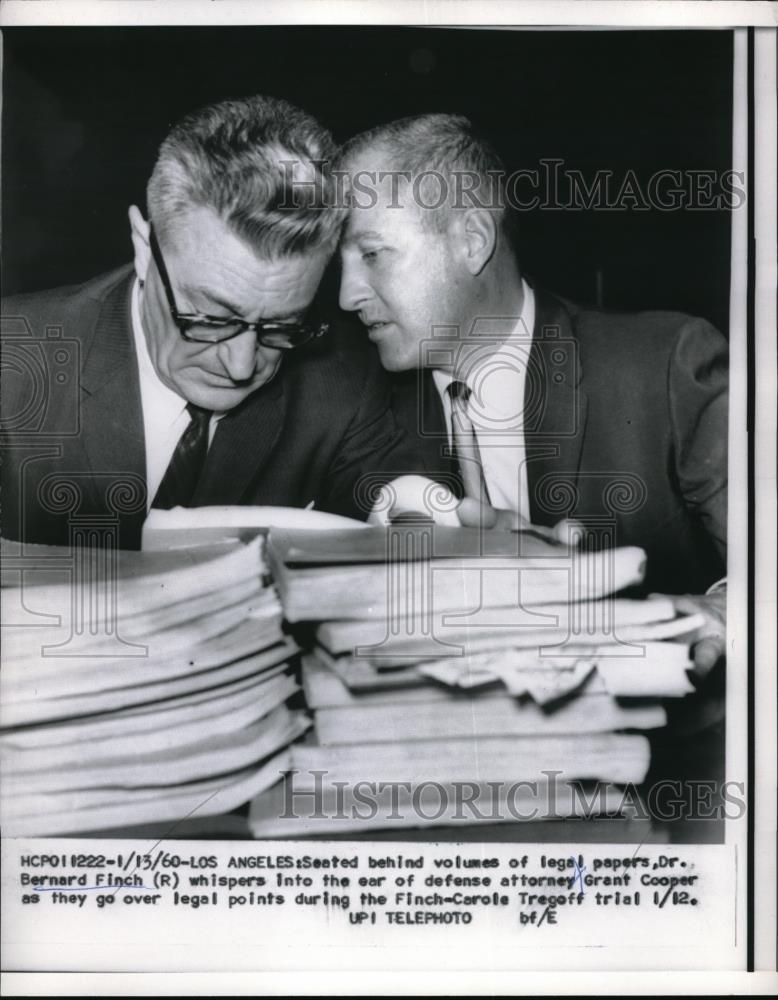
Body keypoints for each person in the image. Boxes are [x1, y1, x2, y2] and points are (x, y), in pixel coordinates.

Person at [336, 113, 728, 677]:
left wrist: (721, 611)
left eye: (371, 254)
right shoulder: (350, 413)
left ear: (472, 241)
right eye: (341, 264)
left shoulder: (666, 364)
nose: (348, 294)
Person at [1, 96, 419, 550]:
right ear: (144, 250)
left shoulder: (344, 386)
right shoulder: (13, 368)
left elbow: (401, 506)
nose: (241, 367)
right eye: (211, 318)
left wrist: (420, 518)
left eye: (282, 327)